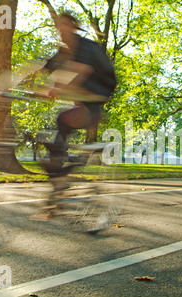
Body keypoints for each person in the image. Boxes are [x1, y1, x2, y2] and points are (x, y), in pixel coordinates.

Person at [38, 13, 117, 181]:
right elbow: (42, 68)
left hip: (99, 91)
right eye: (59, 26)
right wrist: (10, 83)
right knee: (61, 125)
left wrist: (57, 89)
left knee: (62, 118)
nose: (61, 29)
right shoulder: (63, 50)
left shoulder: (85, 47)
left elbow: (81, 71)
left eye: (65, 25)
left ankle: (63, 159)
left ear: (73, 27)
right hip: (84, 97)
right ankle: (61, 166)